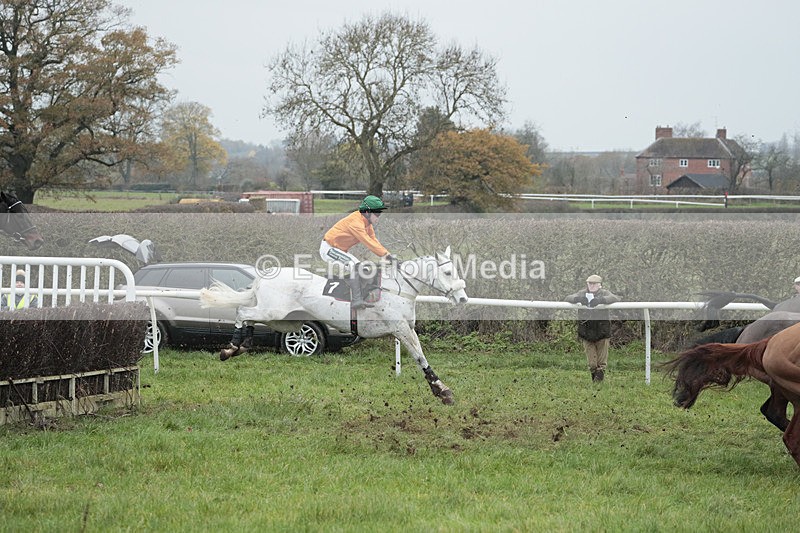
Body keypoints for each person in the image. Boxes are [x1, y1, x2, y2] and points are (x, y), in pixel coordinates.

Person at [319, 195, 396, 310]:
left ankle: (358, 296)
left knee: (362, 269)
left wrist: (388, 254)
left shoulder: (367, 224)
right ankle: (356, 301)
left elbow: (374, 240)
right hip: (329, 249)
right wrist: (385, 255)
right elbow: (368, 242)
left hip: (339, 250)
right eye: (377, 214)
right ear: (366, 212)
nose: (378, 217)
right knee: (354, 267)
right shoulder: (356, 222)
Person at [564, 274, 621, 383]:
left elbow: (615, 298)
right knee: (592, 363)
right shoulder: (582, 293)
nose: (592, 285)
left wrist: (601, 300)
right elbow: (567, 298)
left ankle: (598, 383)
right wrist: (578, 299)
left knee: (601, 362)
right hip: (586, 331)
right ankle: (595, 379)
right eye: (590, 283)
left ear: (600, 285)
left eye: (594, 284)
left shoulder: (604, 293)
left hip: (602, 331)